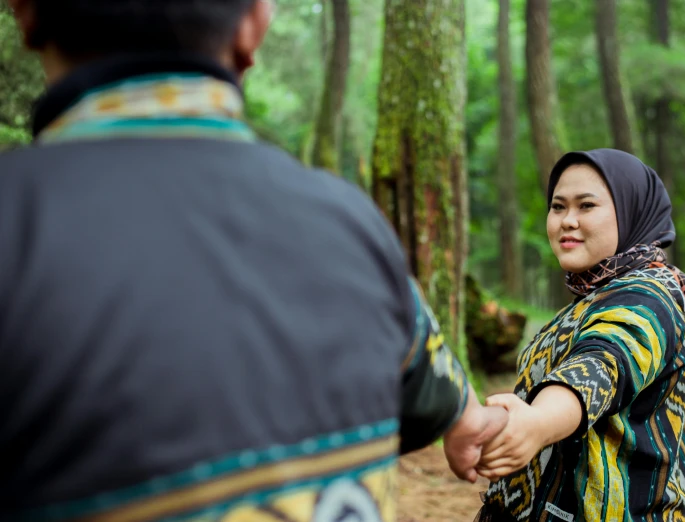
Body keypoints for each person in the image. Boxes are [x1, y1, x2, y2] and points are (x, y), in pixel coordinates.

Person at [0, 1, 508, 520]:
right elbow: (448, 399)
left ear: (24, 13)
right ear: (255, 24)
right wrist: (473, 421)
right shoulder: (352, 225)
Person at [473, 149, 685, 522]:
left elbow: (602, 364)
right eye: (558, 207)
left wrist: (537, 423)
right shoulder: (596, 297)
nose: (567, 221)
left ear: (631, 210)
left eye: (586, 206)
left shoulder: (649, 298)